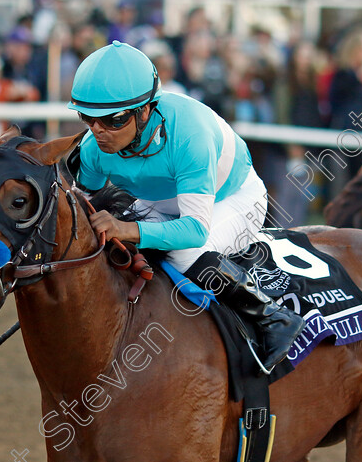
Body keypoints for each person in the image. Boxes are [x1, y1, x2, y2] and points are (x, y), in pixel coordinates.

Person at [67, 41, 304, 371]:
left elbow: (193, 230)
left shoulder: (191, 134)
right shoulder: (93, 147)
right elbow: (83, 206)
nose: (98, 131)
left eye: (113, 121)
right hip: (158, 202)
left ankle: (272, 317)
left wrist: (125, 228)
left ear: (145, 111)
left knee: (183, 252)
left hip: (232, 199)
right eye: (87, 118)